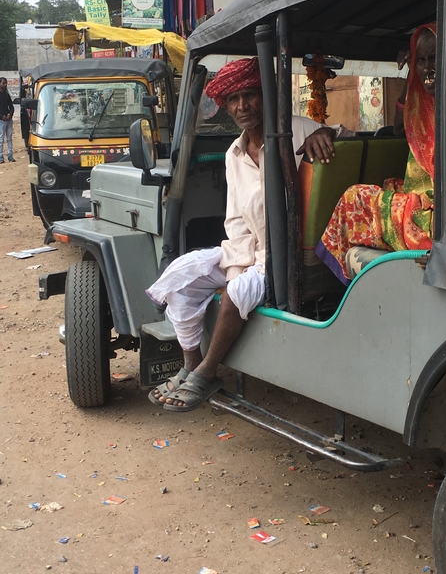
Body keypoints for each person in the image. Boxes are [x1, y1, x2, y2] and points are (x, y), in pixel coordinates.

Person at [146, 56, 354, 412]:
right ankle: (191, 363)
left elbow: (348, 140)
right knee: (180, 278)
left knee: (236, 293)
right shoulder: (233, 153)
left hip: (286, 255)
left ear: (265, 96)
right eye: (233, 99)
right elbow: (237, 222)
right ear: (226, 107)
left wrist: (327, 132)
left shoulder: (298, 131)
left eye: (250, 95)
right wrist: (234, 267)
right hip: (246, 251)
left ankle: (209, 372)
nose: (242, 106)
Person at [315, 23, 436, 284]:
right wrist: (409, 79)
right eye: (421, 60)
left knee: (353, 197)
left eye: (434, 58)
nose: (427, 68)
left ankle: (328, 287)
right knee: (386, 186)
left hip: (436, 218)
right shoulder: (426, 99)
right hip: (423, 202)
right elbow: (397, 128)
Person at [0, 77, 15, 163]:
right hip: (1, 120)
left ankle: (10, 156)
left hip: (8, 119)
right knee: (1, 139)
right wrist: (2, 116)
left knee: (9, 138)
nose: (5, 85)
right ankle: (1, 157)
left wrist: (10, 114)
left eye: (6, 83)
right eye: (3, 83)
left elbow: (11, 106)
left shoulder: (6, 94)